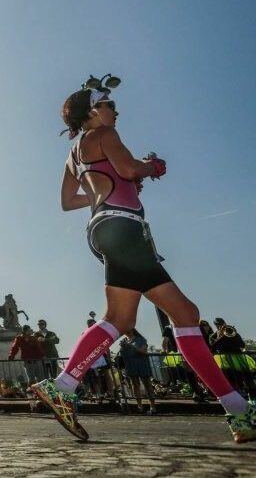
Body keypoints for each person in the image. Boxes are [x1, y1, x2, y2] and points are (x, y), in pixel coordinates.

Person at [31, 80, 255, 443]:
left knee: (160, 315)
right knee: (163, 316)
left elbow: (69, 201)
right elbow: (132, 169)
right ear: (92, 112)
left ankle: (238, 409)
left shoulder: (73, 152)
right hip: (124, 227)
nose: (115, 111)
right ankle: (239, 412)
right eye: (109, 104)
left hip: (104, 228)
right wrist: (151, 166)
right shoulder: (104, 133)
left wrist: (110, 188)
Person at [119, 329, 156, 414]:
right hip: (131, 366)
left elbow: (144, 351)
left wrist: (131, 346)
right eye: (126, 330)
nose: (127, 331)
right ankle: (139, 406)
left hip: (142, 364)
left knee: (147, 384)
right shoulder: (125, 341)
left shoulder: (141, 339)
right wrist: (122, 347)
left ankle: (153, 406)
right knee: (135, 385)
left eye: (129, 329)